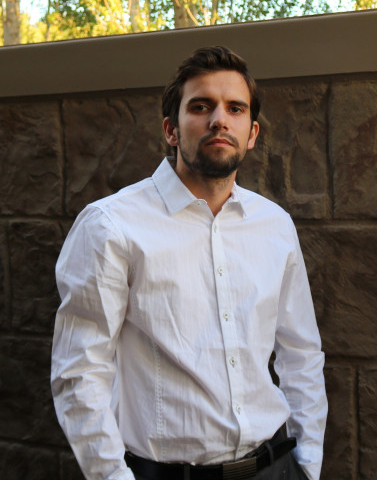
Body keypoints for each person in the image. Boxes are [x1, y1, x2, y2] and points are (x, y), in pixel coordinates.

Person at [51, 45, 327, 480]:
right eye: (201, 106)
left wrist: (307, 464)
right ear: (171, 129)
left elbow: (301, 353)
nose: (219, 119)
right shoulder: (110, 226)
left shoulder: (274, 225)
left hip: (276, 469)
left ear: (252, 133)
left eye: (235, 108)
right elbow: (79, 373)